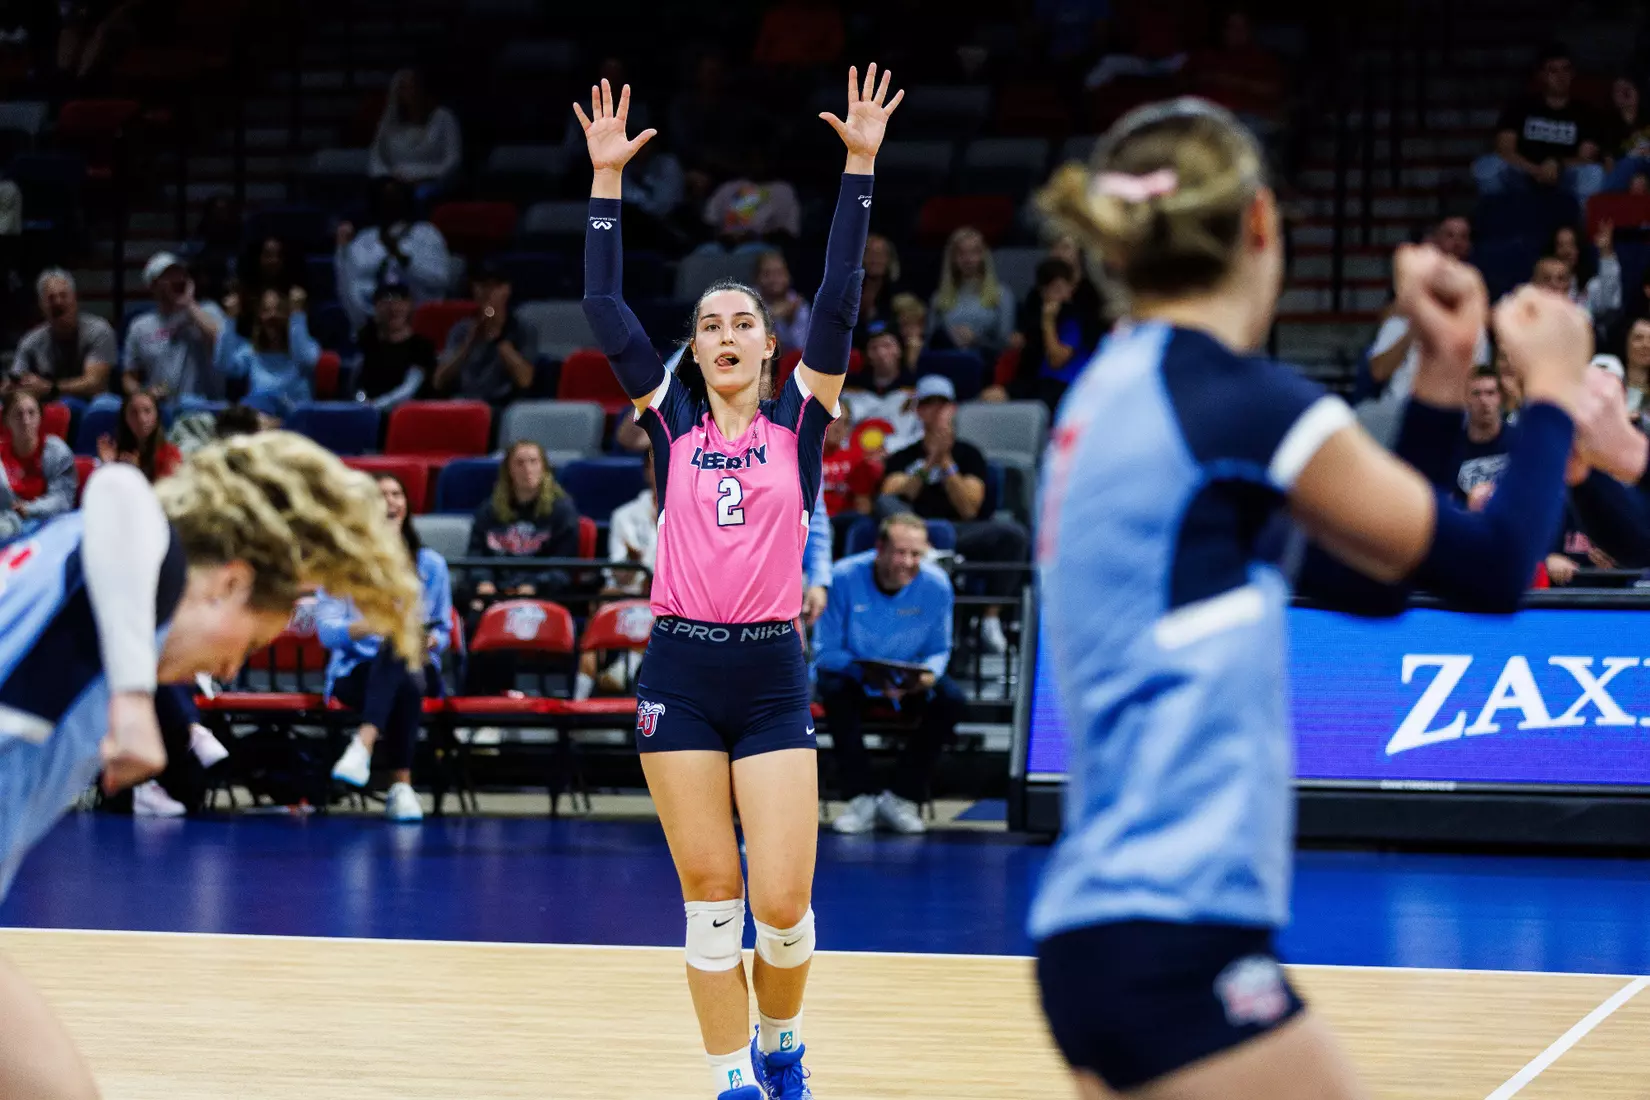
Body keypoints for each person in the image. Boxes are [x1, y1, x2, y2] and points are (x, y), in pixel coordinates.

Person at [1032, 97, 1592, 1100]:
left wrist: (1439, 373)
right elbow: (1496, 565)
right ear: (1259, 221)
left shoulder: (1120, 392)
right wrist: (1553, 391)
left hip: (1105, 930)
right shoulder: (1236, 399)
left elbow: (1377, 582)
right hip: (1173, 937)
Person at [577, 65, 898, 1100]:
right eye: (710, 323)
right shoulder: (665, 414)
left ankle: (783, 1039)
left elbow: (843, 296)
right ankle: (733, 1078)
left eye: (742, 324)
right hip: (678, 665)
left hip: (768, 671)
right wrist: (605, 183)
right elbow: (601, 298)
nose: (723, 334)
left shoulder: (802, 420)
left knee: (788, 902)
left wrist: (858, 164)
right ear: (696, 347)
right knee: (713, 898)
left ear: (770, 347)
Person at [0, 431, 422, 1099]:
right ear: (229, 582)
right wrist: (136, 697)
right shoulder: (150, 572)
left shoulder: (86, 583)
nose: (230, 669)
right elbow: (120, 489)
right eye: (249, 643)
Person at [814, 513, 961, 836]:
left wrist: (928, 676)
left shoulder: (937, 585)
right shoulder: (843, 577)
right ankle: (860, 798)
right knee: (834, 690)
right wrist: (868, 673)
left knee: (951, 699)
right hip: (853, 673)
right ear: (879, 548)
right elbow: (826, 651)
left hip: (909, 679)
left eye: (916, 554)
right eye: (900, 552)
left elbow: (940, 648)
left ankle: (902, 797)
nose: (908, 562)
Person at [323, 473, 452, 822]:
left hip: (421, 663)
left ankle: (362, 743)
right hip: (357, 672)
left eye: (397, 494)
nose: (391, 501)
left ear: (406, 506)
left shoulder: (431, 565)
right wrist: (371, 625)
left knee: (406, 653)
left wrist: (433, 639)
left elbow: (444, 629)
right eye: (381, 496)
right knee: (404, 674)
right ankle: (402, 787)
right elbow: (327, 631)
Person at [879, 374, 1027, 654]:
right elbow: (895, 495)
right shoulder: (902, 456)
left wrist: (945, 462)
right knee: (885, 504)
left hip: (960, 530)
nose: (936, 411)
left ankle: (990, 620)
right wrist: (929, 462)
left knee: (1013, 535)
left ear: (953, 409)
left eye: (942, 404)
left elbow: (969, 508)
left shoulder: (969, 454)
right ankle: (924, 549)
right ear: (918, 410)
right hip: (913, 530)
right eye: (929, 404)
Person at [1473, 43, 1605, 205]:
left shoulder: (1586, 112)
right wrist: (1536, 170)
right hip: (1523, 173)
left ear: (1573, 74)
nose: (1560, 76)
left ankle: (1579, 229)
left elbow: (1586, 157)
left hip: (1563, 176)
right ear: (1542, 75)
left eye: (1565, 70)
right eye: (1553, 70)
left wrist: (1557, 165)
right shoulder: (1520, 107)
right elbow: (1504, 149)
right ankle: (1497, 225)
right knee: (1487, 166)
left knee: (1594, 173)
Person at [464, 440, 583, 615]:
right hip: (496, 591)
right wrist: (483, 582)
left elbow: (563, 566)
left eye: (533, 461)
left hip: (542, 592)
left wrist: (533, 586)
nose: (527, 469)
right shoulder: (489, 510)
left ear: (544, 468)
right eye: (519, 463)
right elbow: (476, 555)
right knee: (473, 608)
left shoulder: (562, 510)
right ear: (508, 470)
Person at [334, 178, 453, 332]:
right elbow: (351, 287)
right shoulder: (363, 240)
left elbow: (440, 280)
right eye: (384, 196)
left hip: (421, 326)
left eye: (394, 196)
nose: (389, 203)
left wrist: (403, 259)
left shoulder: (427, 234)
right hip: (374, 328)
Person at [122, 252, 228, 402]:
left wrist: (189, 304)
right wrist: (145, 393)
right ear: (153, 285)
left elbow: (222, 343)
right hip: (162, 408)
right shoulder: (139, 326)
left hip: (203, 406)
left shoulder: (207, 311)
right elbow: (129, 378)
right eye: (168, 276)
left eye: (180, 274)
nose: (177, 280)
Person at [430, 260, 536, 406]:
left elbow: (525, 380)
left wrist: (497, 338)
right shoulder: (461, 330)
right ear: (473, 289)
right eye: (482, 285)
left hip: (502, 405)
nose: (488, 292)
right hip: (463, 402)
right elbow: (439, 381)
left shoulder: (522, 329)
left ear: (507, 290)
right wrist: (468, 343)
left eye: (495, 286)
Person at [11, 269, 118, 404]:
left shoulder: (98, 330)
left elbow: (94, 383)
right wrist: (18, 385)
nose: (58, 302)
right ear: (41, 305)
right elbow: (16, 379)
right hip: (46, 406)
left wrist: (50, 388)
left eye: (63, 295)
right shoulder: (31, 341)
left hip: (92, 404)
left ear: (75, 299)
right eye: (51, 298)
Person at [219, 286, 322, 413]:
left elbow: (307, 361)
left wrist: (297, 315)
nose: (272, 316)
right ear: (259, 318)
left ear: (288, 314)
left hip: (296, 422)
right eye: (266, 310)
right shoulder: (251, 352)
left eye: (279, 310)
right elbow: (224, 366)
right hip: (262, 422)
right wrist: (230, 319)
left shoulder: (307, 346)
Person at [369, 67, 462, 204]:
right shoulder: (388, 123)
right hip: (395, 184)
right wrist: (390, 178)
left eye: (412, 87)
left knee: (420, 197)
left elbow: (453, 161)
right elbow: (376, 161)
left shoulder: (443, 118)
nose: (409, 93)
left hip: (432, 183)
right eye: (403, 88)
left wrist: (422, 177)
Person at [927, 226, 1016, 364]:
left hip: (987, 365)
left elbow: (1006, 345)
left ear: (983, 256)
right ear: (952, 258)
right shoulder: (939, 297)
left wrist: (976, 340)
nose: (968, 259)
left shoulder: (1002, 294)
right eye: (961, 253)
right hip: (947, 363)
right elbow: (930, 342)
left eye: (974, 252)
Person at [0, 390, 76, 540]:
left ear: (40, 418)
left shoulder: (57, 451)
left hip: (48, 523)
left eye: (31, 413)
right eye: (18, 414)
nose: (26, 420)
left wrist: (29, 509)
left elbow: (63, 499)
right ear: (6, 420)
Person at [354, 275, 437, 409]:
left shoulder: (422, 347)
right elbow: (358, 387)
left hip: (407, 418)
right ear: (376, 305)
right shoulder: (367, 343)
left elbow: (409, 389)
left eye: (400, 299)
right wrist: (362, 404)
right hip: (367, 419)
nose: (393, 307)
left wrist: (374, 407)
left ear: (410, 305)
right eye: (386, 299)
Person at [820, 394, 884, 555]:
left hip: (843, 522)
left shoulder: (857, 460)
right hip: (812, 521)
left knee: (864, 524)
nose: (839, 427)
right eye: (834, 419)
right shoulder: (802, 455)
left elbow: (863, 504)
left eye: (845, 422)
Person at [1456, 365, 1517, 502]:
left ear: (1500, 397)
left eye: (1490, 393)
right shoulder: (1451, 449)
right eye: (1476, 394)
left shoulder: (1521, 441)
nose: (1483, 401)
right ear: (1465, 398)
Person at [96, 388, 181, 482]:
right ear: (125, 417)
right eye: (133, 412)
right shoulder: (116, 451)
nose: (141, 419)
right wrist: (109, 465)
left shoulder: (170, 453)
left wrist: (137, 472)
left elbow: (165, 493)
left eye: (147, 411)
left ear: (157, 416)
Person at [755, 250, 811, 353]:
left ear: (788, 276)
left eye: (779, 273)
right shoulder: (747, 300)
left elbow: (801, 349)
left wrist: (790, 320)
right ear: (757, 278)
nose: (774, 279)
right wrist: (771, 316)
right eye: (767, 274)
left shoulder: (799, 305)